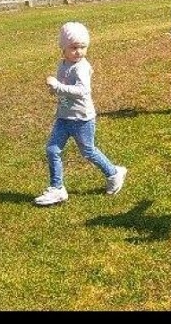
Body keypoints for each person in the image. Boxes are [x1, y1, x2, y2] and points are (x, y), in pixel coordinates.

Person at [34, 20, 127, 205]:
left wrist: (59, 87)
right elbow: (65, 89)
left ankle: (114, 173)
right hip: (63, 117)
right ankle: (57, 188)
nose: (79, 52)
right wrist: (55, 90)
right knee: (52, 149)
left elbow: (83, 90)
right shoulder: (63, 65)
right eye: (74, 47)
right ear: (63, 47)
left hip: (82, 119)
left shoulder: (81, 67)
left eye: (83, 47)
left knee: (88, 151)